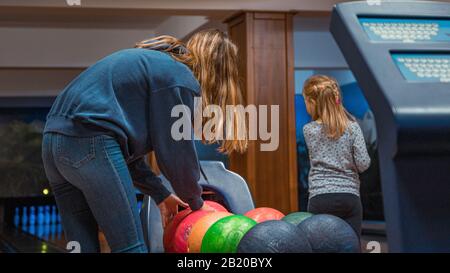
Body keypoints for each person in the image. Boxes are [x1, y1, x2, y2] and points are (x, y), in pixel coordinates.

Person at [41, 29, 247, 253]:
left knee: (81, 247)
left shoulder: (157, 66)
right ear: (218, 71)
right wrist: (198, 204)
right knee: (130, 247)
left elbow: (122, 156)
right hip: (89, 143)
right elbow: (175, 155)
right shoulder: (179, 77)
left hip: (53, 145)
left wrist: (161, 194)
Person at [302, 75, 370, 237]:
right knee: (350, 245)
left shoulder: (309, 130)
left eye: (306, 101)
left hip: (320, 198)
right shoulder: (353, 128)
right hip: (349, 197)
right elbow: (363, 164)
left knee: (320, 245)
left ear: (312, 102)